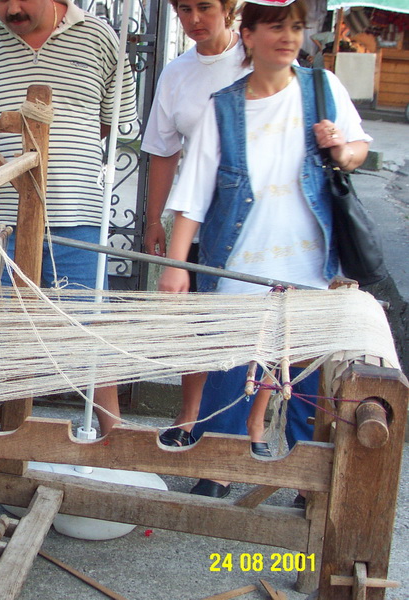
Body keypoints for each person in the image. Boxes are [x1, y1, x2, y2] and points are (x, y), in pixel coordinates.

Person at [158, 0, 370, 499]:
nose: (288, 36)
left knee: (303, 375)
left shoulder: (322, 89)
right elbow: (193, 190)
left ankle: (305, 478)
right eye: (276, 26)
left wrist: (341, 150)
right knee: (230, 368)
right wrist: (176, 265)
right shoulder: (225, 107)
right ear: (248, 34)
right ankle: (220, 467)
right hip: (238, 262)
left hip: (308, 264)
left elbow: (358, 147)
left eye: (296, 26)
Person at [0, 0, 138, 435]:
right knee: (9, 332)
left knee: (88, 327)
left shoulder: (101, 39)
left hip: (77, 213)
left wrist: (59, 150)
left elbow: (113, 124)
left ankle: (111, 435)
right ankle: (11, 434)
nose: (11, 7)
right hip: (1, 220)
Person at [141, 0, 250, 448]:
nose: (194, 20)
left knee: (242, 323)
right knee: (195, 322)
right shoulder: (177, 72)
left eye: (205, 7)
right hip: (194, 215)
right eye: (183, 10)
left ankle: (243, 428)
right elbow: (164, 151)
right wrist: (154, 218)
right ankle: (191, 416)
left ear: (230, 8)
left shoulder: (255, 60)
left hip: (248, 215)